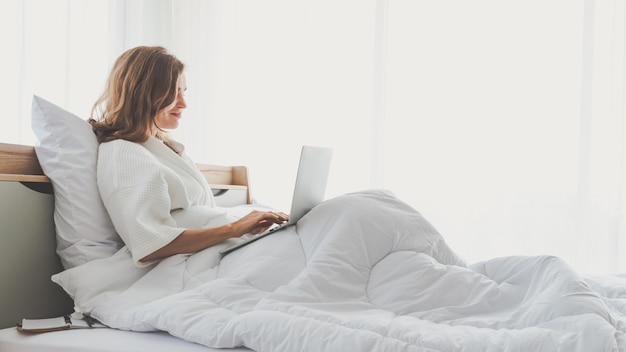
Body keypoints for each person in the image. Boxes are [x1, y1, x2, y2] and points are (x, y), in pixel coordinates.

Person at [88, 46, 288, 266]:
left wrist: (246, 221)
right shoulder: (124, 154)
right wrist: (234, 228)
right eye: (174, 93)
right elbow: (149, 244)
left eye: (184, 92)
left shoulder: (161, 147)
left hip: (218, 252)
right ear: (143, 93)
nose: (184, 103)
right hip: (192, 262)